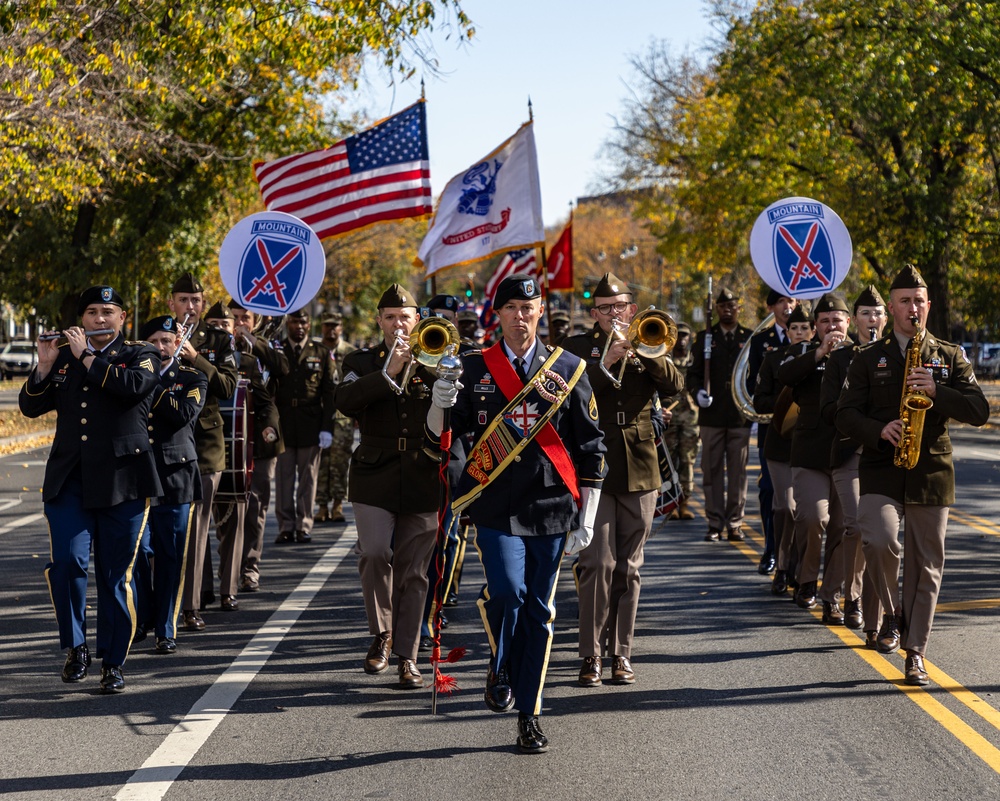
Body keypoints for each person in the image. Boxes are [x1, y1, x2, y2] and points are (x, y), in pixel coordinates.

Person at [428, 273, 606, 754]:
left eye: (528, 309)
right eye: (511, 309)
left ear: (540, 312)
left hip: (551, 506)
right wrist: (436, 404)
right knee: (506, 593)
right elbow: (448, 434)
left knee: (540, 612)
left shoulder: (567, 368)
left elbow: (590, 445)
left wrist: (586, 514)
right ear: (498, 314)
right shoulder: (475, 366)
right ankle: (500, 661)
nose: (520, 317)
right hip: (496, 504)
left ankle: (530, 713)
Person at [836, 264, 988, 685]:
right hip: (882, 466)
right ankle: (893, 612)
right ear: (892, 307)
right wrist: (878, 429)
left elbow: (980, 411)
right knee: (879, 539)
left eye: (918, 301)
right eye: (904, 301)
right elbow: (844, 414)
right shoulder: (868, 358)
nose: (912, 308)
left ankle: (916, 651)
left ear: (928, 305)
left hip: (932, 469)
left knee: (928, 564)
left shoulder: (950, 355)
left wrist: (939, 392)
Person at [19, 285, 163, 693]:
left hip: (124, 480)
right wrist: (45, 366)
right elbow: (30, 406)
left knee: (116, 576)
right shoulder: (64, 356)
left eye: (108, 312)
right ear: (82, 318)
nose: (99, 319)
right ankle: (76, 646)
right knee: (67, 562)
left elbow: (132, 387)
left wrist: (86, 356)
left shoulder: (141, 354)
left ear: (123, 318)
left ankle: (114, 662)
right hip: (71, 480)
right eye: (92, 312)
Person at [561, 272, 682, 687]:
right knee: (596, 562)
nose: (615, 314)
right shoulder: (577, 348)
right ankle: (590, 654)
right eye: (606, 309)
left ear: (632, 309)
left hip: (640, 465)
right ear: (594, 313)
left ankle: (621, 653)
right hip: (593, 465)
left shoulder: (650, 341)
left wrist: (647, 353)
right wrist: (605, 362)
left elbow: (675, 385)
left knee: (629, 567)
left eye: (622, 307)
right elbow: (565, 396)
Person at [333, 284, 441, 690]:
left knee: (414, 571)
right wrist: (388, 373)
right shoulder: (361, 360)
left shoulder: (436, 356)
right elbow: (344, 401)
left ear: (418, 320)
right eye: (391, 317)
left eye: (406, 317)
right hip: (374, 471)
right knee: (375, 553)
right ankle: (382, 633)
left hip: (423, 471)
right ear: (379, 321)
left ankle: (408, 656)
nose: (399, 324)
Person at [167, 272, 239, 631]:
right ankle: (165, 602)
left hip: (207, 446)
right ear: (171, 303)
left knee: (197, 526)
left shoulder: (219, 341)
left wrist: (195, 357)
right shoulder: (159, 334)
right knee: (166, 527)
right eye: (183, 300)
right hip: (166, 443)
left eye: (196, 301)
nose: (190, 307)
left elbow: (227, 386)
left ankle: (191, 606)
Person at [134, 315, 207, 654]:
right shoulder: (129, 375)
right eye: (155, 341)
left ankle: (165, 628)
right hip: (136, 476)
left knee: (170, 556)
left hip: (175, 477)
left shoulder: (193, 378)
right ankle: (141, 617)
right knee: (135, 553)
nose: (162, 348)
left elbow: (182, 415)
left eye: (168, 341)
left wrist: (150, 382)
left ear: (178, 344)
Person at [777, 293, 852, 620]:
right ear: (816, 326)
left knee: (843, 526)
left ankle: (831, 595)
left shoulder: (860, 355)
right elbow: (784, 376)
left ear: (848, 322)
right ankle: (806, 579)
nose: (832, 326)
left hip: (847, 451)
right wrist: (820, 353)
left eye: (837, 320)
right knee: (811, 518)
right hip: (809, 452)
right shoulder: (803, 352)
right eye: (825, 321)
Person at [820, 286, 887, 643]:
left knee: (880, 536)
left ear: (885, 318)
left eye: (877, 314)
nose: (871, 320)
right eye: (865, 313)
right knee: (856, 525)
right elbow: (829, 410)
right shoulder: (840, 359)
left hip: (884, 454)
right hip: (849, 453)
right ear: (854, 320)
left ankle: (876, 618)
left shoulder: (893, 355)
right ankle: (853, 596)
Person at [228, 299, 288, 592]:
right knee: (227, 508)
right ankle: (226, 569)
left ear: (256, 320)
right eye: (235, 317)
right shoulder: (219, 344)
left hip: (262, 436)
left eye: (246, 318)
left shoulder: (268, 345)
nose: (240, 323)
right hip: (227, 437)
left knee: (256, 506)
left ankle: (249, 567)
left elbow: (284, 368)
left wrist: (255, 344)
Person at [754, 304, 813, 596]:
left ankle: (800, 569)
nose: (799, 333)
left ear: (813, 331)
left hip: (813, 443)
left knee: (807, 512)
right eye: (794, 329)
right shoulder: (773, 359)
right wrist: (786, 400)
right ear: (786, 332)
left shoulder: (822, 359)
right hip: (779, 442)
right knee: (784, 506)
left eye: (805, 328)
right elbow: (759, 400)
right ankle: (781, 563)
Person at [686, 287, 753, 541]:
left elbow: (754, 375)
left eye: (732, 306)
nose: (728, 310)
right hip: (712, 414)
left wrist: (753, 407)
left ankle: (735, 522)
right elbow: (692, 373)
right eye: (723, 306)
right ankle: (714, 522)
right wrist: (697, 392)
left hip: (739, 415)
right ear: (716, 310)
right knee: (712, 470)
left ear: (738, 308)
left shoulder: (748, 338)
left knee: (738, 472)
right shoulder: (705, 337)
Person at [745, 289, 798, 574]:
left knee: (800, 499)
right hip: (771, 428)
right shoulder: (760, 342)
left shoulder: (811, 339)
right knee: (769, 492)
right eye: (781, 302)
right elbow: (755, 384)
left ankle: (795, 557)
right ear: (771, 307)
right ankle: (771, 549)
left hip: (804, 432)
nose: (787, 306)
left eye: (791, 301)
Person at [272, 309, 336, 544]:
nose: (299, 326)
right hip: (284, 423)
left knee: (308, 479)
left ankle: (304, 525)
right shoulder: (277, 350)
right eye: (295, 322)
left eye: (303, 322)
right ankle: (286, 526)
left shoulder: (322, 352)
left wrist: (327, 427)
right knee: (284, 478)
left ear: (310, 325)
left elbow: (330, 393)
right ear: (288, 323)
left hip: (311, 423)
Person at [315, 312, 356, 524]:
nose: (331, 329)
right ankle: (321, 505)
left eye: (335, 326)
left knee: (340, 461)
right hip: (319, 414)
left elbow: (358, 385)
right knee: (321, 461)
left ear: (341, 327)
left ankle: (338, 504)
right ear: (321, 327)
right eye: (327, 325)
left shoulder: (350, 353)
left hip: (343, 416)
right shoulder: (316, 351)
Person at [662, 322, 699, 520]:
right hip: (669, 418)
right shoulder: (665, 359)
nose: (682, 339)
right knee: (669, 462)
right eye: (679, 336)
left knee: (687, 461)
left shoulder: (695, 361)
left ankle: (684, 502)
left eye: (686, 336)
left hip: (690, 418)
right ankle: (671, 504)